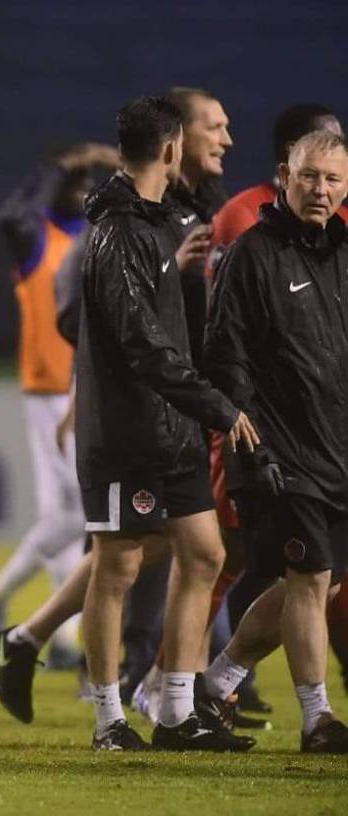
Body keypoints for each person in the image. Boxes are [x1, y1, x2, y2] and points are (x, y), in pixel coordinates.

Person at [74, 96, 258, 751]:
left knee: (205, 555)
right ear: (173, 148)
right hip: (129, 437)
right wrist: (217, 405)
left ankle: (175, 711)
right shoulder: (120, 230)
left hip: (171, 429)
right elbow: (140, 345)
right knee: (117, 568)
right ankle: (107, 720)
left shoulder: (157, 224)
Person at [201, 129, 348, 754]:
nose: (321, 190)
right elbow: (224, 355)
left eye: (334, 179)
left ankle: (216, 684)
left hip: (338, 445)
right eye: (310, 176)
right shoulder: (251, 255)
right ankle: (317, 719)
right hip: (283, 449)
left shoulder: (344, 252)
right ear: (284, 176)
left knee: (317, 584)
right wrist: (247, 439)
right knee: (311, 576)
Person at [0, 143, 117, 665]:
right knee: (77, 517)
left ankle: (48, 633)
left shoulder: (97, 239)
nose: (81, 193)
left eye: (87, 185)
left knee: (68, 514)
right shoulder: (39, 239)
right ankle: (25, 615)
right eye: (73, 186)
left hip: (87, 388)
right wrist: (62, 165)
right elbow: (12, 212)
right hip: (50, 391)